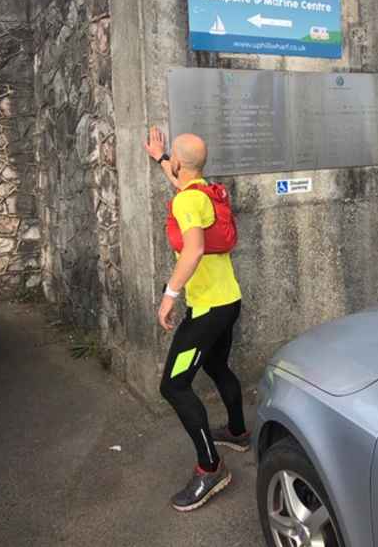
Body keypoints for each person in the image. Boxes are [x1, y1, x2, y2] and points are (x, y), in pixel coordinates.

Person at [144, 127, 249, 512]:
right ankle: (237, 432)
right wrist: (159, 158)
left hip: (207, 310)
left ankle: (211, 467)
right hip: (229, 300)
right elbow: (180, 183)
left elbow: (194, 250)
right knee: (218, 365)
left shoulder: (188, 201)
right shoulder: (206, 190)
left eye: (171, 156)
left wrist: (168, 297)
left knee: (174, 386)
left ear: (179, 161)